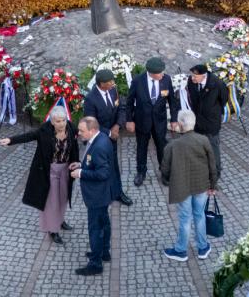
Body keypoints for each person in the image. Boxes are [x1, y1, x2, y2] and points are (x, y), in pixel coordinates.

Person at [0, 106, 79, 245]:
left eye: (63, 120)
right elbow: (29, 136)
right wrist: (10, 140)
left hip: (65, 170)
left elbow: (82, 136)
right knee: (52, 201)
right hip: (49, 171)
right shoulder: (44, 131)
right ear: (52, 121)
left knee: (63, 198)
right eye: (58, 121)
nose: (61, 124)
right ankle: (53, 229)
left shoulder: (71, 127)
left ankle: (60, 220)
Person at [161, 110, 217, 262]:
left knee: (185, 218)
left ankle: (181, 251)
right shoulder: (203, 140)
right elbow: (213, 165)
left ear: (180, 125)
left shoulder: (172, 145)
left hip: (182, 187)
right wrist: (213, 185)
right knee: (199, 215)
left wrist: (167, 180)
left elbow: (164, 168)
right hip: (201, 186)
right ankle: (203, 248)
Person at [124, 57, 179, 186]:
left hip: (159, 121)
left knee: (162, 147)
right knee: (141, 147)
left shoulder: (166, 79)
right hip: (142, 120)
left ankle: (164, 172)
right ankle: (141, 172)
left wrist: (174, 119)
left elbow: (172, 101)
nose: (163, 74)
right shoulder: (138, 81)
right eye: (160, 73)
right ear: (151, 73)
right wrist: (129, 120)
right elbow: (129, 102)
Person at [70, 116, 113, 276]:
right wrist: (81, 164)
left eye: (82, 131)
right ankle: (104, 252)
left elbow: (103, 173)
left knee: (95, 228)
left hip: (97, 196)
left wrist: (81, 173)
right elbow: (94, 162)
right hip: (102, 193)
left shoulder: (99, 146)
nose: (79, 133)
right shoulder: (101, 138)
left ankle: (95, 264)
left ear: (92, 130)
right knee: (104, 223)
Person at [83, 69, 133, 206]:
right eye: (110, 81)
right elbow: (91, 123)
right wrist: (109, 133)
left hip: (113, 137)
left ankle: (117, 192)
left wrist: (117, 125)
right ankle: (101, 193)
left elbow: (120, 108)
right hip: (99, 140)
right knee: (100, 166)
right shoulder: (90, 99)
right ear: (101, 84)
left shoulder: (112, 90)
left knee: (114, 165)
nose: (113, 83)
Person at [188, 64, 227, 177]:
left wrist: (212, 110)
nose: (192, 78)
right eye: (192, 75)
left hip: (211, 122)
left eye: (195, 76)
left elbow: (224, 99)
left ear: (203, 76)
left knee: (213, 148)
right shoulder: (191, 82)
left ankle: (216, 172)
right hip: (197, 121)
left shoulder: (217, 84)